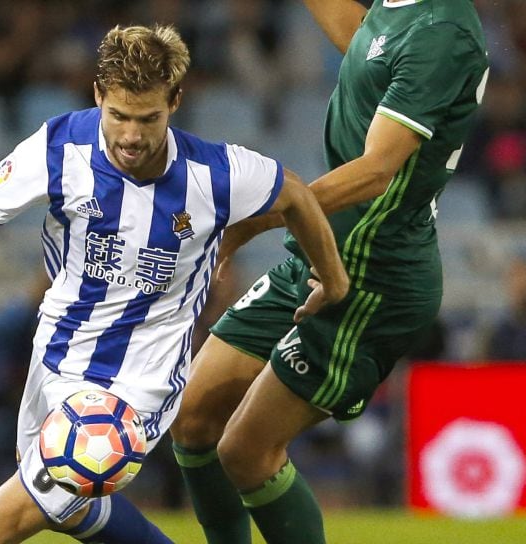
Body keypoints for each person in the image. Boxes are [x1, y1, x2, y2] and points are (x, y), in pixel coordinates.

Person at [0, 24, 348, 544]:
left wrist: (334, 279)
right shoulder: (58, 147)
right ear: (98, 95)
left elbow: (296, 195)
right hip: (55, 353)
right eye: (118, 115)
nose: (131, 136)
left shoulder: (215, 173)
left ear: (175, 102)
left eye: (148, 118)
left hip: (140, 380)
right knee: (68, 510)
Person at [170, 1, 490, 543]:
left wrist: (265, 214)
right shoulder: (401, 9)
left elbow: (378, 171)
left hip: (373, 274)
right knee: (193, 416)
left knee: (246, 450)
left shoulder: (444, 32)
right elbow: (362, 43)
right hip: (320, 250)